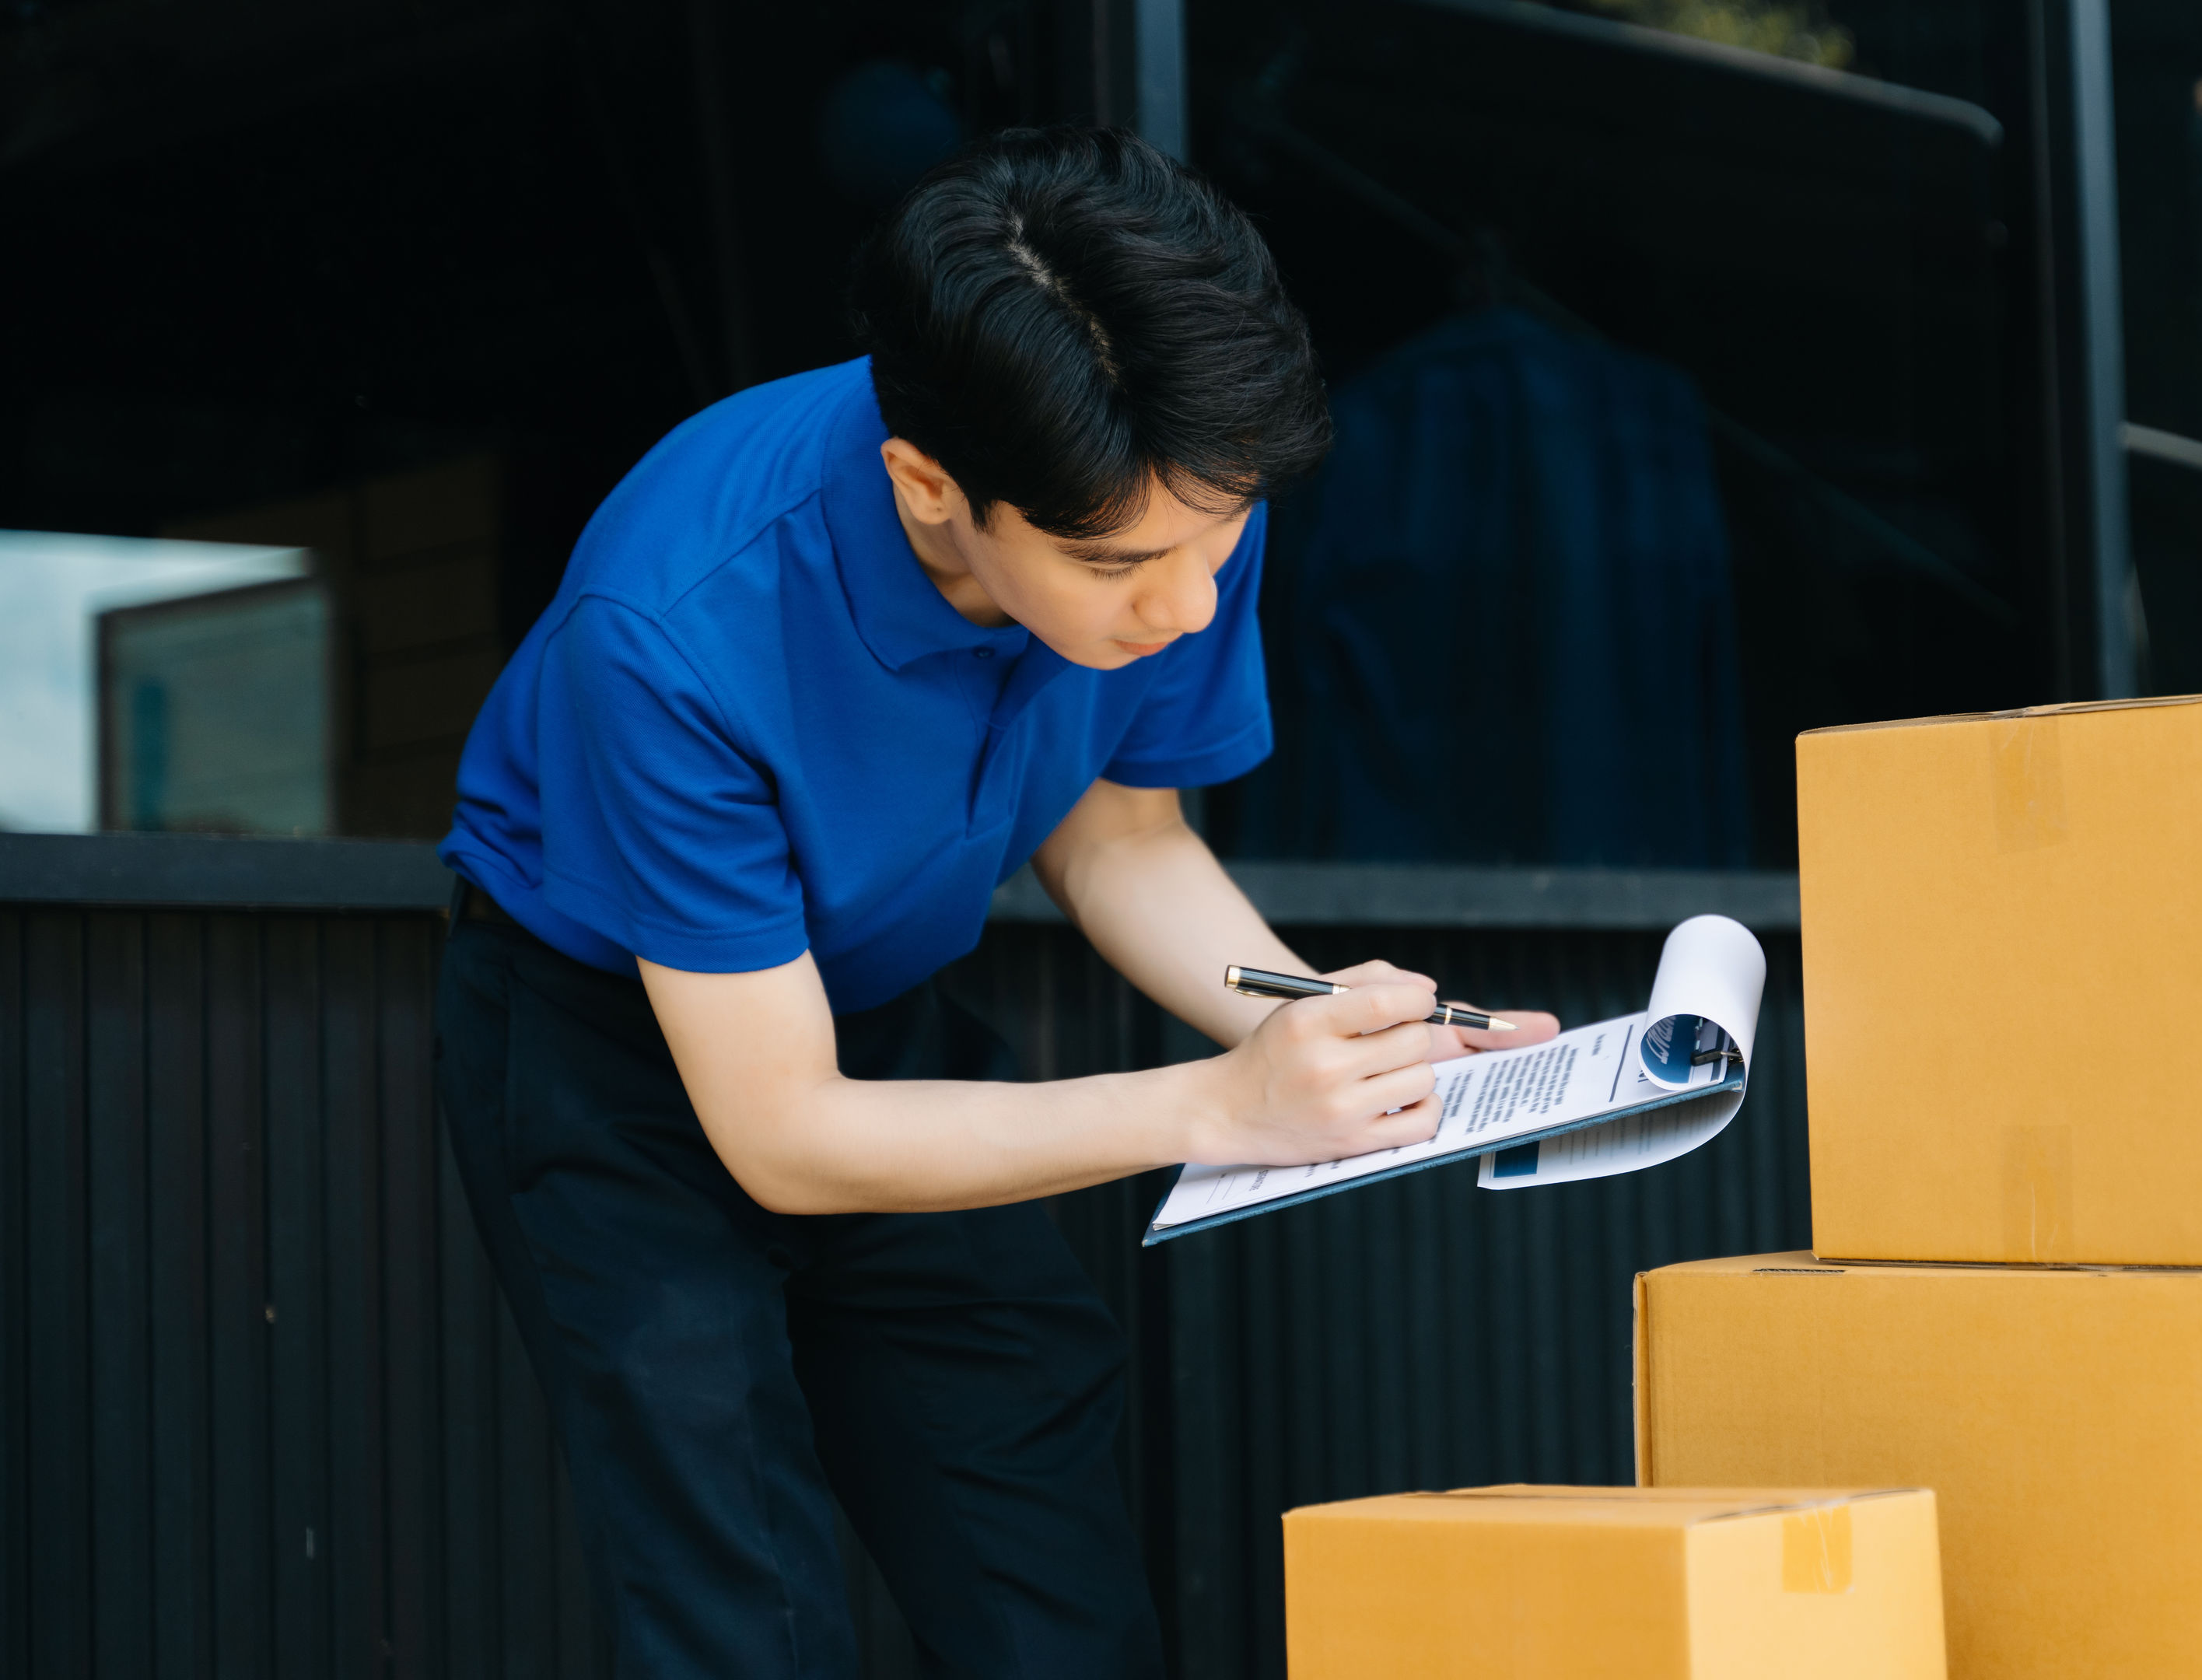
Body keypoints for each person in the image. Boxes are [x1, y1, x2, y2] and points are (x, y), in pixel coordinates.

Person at [432, 127, 1557, 1678]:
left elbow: (1124, 843)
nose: (1178, 608)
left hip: (874, 1011)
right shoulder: (675, 625)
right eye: (1121, 567)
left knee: (1034, 1529)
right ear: (932, 487)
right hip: (611, 1044)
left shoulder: (1174, 474)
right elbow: (783, 1132)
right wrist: (1225, 1108)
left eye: (1212, 551)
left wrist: (1318, 1018)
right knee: (736, 1590)